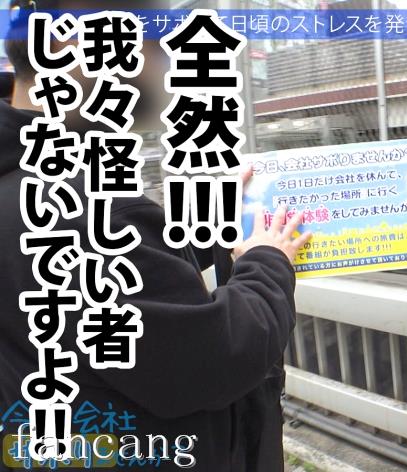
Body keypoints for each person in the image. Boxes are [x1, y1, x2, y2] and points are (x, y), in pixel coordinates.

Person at [0, 1, 310, 470]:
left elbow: (140, 293)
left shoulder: (28, 180)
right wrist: (268, 262)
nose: (166, 68)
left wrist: (207, 220)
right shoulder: (84, 209)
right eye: (153, 45)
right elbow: (212, 360)